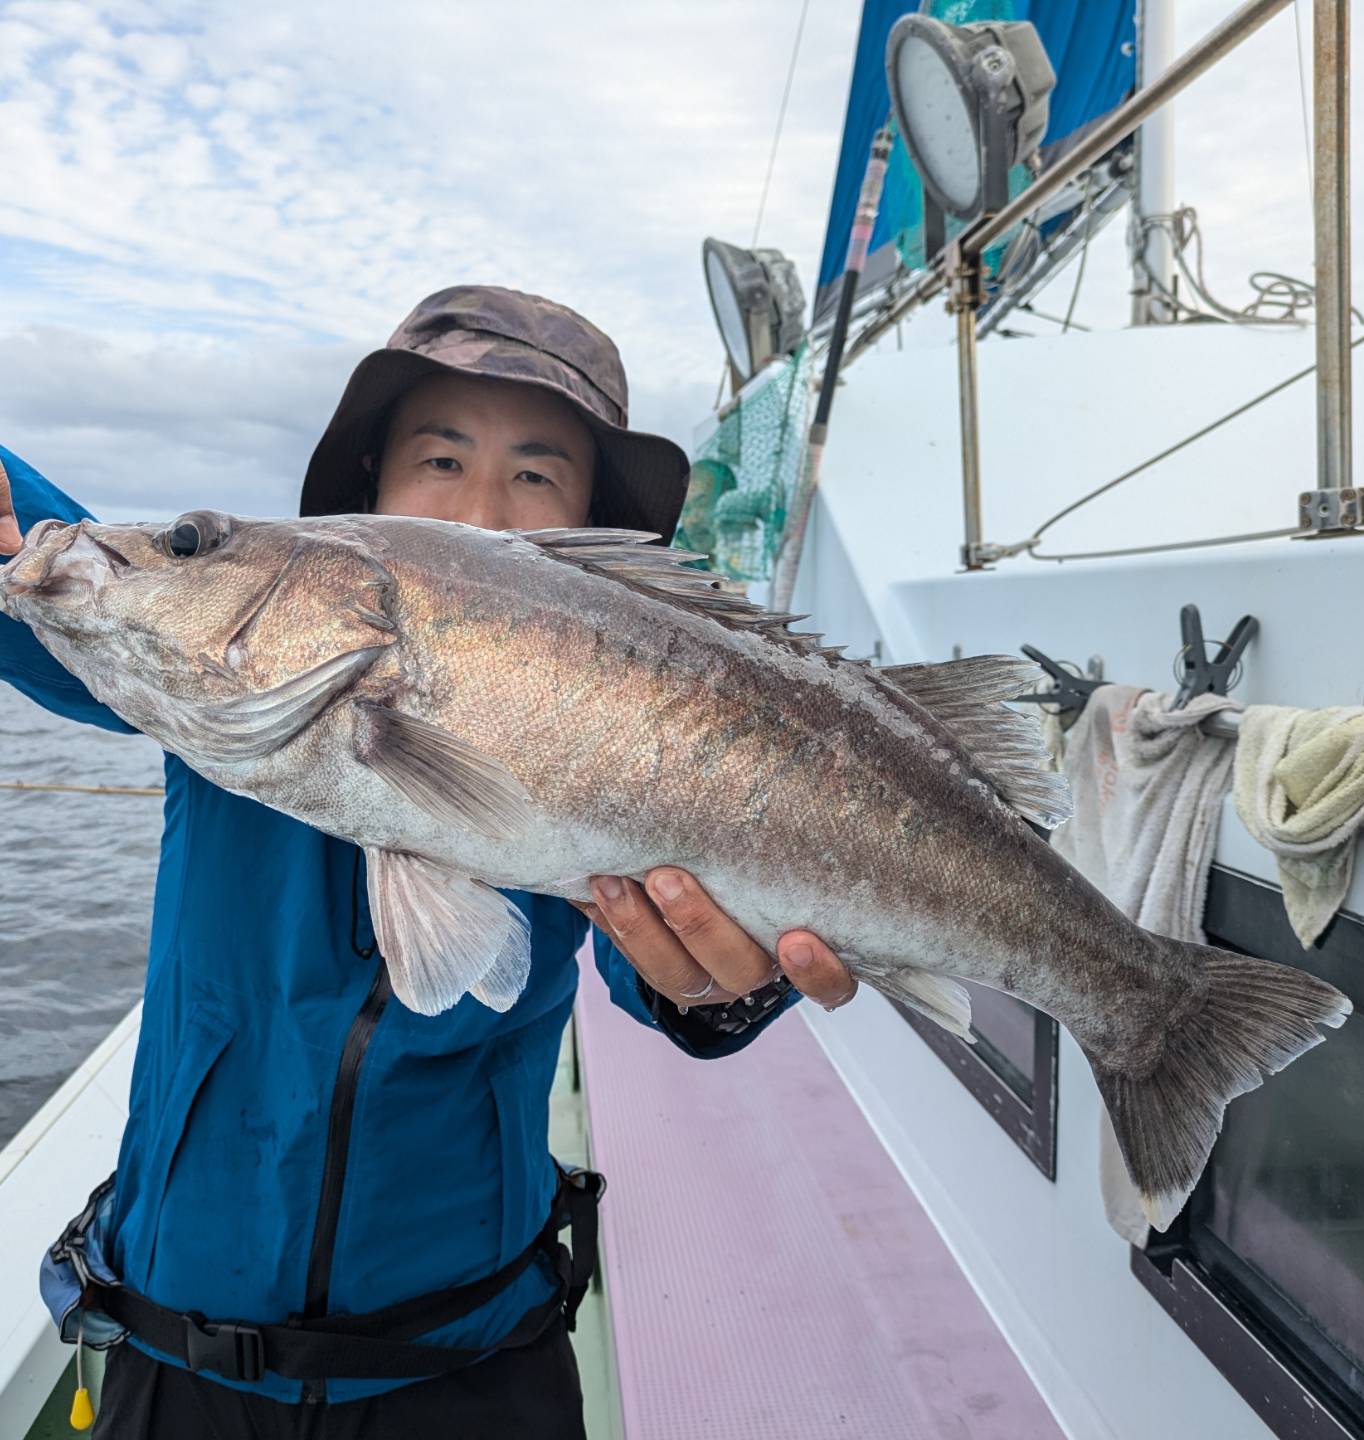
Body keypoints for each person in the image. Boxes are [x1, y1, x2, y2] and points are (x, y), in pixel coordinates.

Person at [1, 285, 856, 1439]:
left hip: (470, 1370)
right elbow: (79, 566)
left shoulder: (610, 722)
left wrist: (713, 991)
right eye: (440, 460)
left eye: (538, 474)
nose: (486, 508)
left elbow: (655, 977)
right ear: (364, 503)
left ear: (592, 531)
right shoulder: (201, 685)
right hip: (172, 1351)